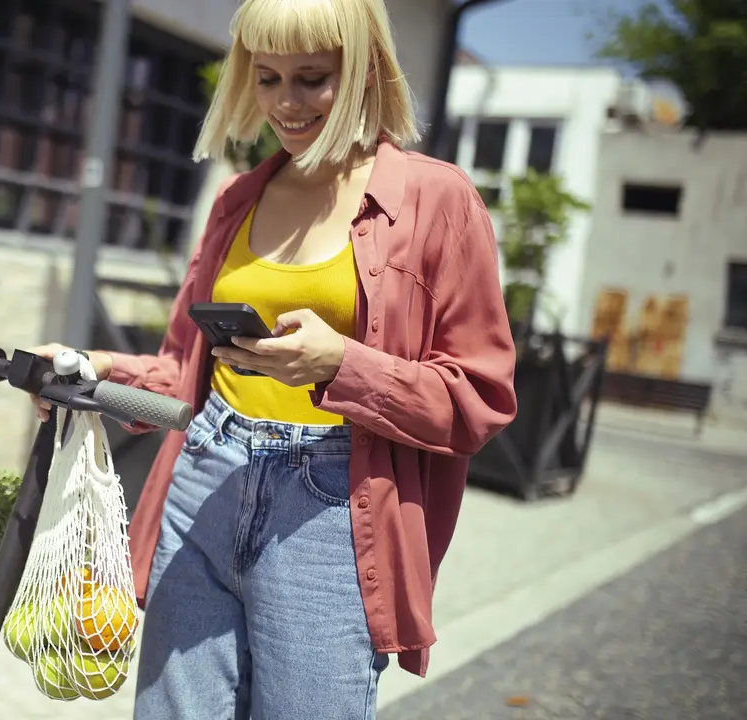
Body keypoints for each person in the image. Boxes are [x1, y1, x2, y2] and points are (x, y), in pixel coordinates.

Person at [29, 0, 517, 717]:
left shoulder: (435, 199)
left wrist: (339, 366)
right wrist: (95, 370)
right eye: (267, 78)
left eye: (313, 78)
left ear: (363, 71)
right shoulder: (236, 201)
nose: (286, 104)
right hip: (204, 478)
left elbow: (480, 397)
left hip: (332, 507)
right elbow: (183, 371)